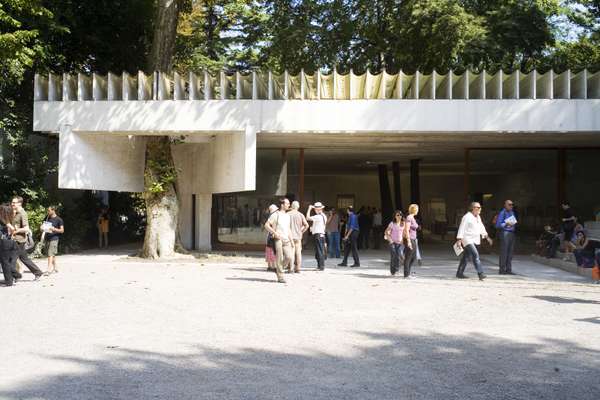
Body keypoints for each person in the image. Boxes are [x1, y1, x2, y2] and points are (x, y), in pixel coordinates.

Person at [455, 202, 493, 280]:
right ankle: (480, 273)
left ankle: (459, 273)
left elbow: (481, 227)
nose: (480, 209)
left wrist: (487, 237)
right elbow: (461, 228)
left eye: (480, 207)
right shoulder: (467, 217)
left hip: (475, 239)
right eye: (478, 207)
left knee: (465, 257)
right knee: (475, 255)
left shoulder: (478, 217)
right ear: (473, 208)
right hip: (467, 239)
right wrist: (459, 239)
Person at [10, 196, 43, 280]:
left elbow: (26, 228)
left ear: (19, 203)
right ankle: (38, 272)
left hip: (19, 240)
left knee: (12, 260)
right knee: (24, 258)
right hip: (15, 240)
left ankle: (14, 277)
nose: (12, 204)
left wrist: (16, 231)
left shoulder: (22, 213)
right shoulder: (16, 213)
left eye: (14, 202)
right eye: (12, 202)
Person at [264, 198, 294, 283]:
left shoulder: (288, 216)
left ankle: (278, 268)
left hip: (286, 239)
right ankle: (280, 277)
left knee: (289, 257)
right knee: (279, 258)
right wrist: (274, 232)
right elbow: (266, 225)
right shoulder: (275, 215)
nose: (289, 205)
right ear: (282, 205)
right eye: (287, 203)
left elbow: (288, 229)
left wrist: (291, 241)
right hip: (278, 239)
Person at [495, 199, 517, 275]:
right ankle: (502, 270)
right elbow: (498, 225)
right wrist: (506, 223)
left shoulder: (512, 212)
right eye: (509, 204)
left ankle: (509, 269)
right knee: (504, 252)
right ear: (505, 205)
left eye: (512, 204)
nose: (511, 206)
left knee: (510, 252)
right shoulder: (502, 213)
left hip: (511, 233)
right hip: (505, 232)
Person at [288, 201, 309, 273]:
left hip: (290, 236)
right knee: (298, 253)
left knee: (291, 252)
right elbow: (307, 225)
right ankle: (298, 268)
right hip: (298, 237)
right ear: (298, 207)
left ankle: (291, 268)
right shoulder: (301, 215)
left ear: (291, 206)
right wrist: (301, 231)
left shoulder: (288, 214)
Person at [43, 206, 64, 275]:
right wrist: (41, 228)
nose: (48, 212)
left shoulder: (59, 219)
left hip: (54, 238)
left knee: (50, 253)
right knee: (52, 254)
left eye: (49, 210)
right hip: (47, 238)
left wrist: (54, 229)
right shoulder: (47, 218)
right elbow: (43, 226)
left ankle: (48, 269)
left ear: (53, 210)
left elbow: (62, 230)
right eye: (47, 211)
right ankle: (55, 267)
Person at [307, 202, 327, 270]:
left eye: (315, 209)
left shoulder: (318, 216)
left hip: (318, 234)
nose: (314, 210)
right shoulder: (324, 216)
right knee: (321, 250)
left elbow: (307, 218)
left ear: (317, 209)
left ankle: (320, 266)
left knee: (319, 251)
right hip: (322, 234)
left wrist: (309, 209)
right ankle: (321, 265)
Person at [385, 210, 405, 276]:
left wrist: (404, 239)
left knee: (398, 256)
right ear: (395, 216)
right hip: (392, 242)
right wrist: (390, 240)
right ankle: (392, 271)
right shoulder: (392, 223)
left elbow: (404, 233)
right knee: (393, 256)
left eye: (400, 215)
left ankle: (396, 270)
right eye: (397, 215)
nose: (399, 216)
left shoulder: (403, 223)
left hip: (400, 243)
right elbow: (386, 231)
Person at [403, 204, 420, 278]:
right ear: (415, 210)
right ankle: (406, 274)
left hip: (413, 239)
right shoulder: (409, 217)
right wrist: (408, 241)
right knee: (408, 257)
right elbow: (406, 229)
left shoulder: (412, 218)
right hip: (410, 239)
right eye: (417, 209)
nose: (418, 211)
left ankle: (408, 273)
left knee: (413, 257)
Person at [264, 204, 278, 272]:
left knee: (269, 250)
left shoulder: (271, 215)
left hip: (270, 235)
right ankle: (273, 266)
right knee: (272, 250)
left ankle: (270, 266)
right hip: (273, 235)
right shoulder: (275, 215)